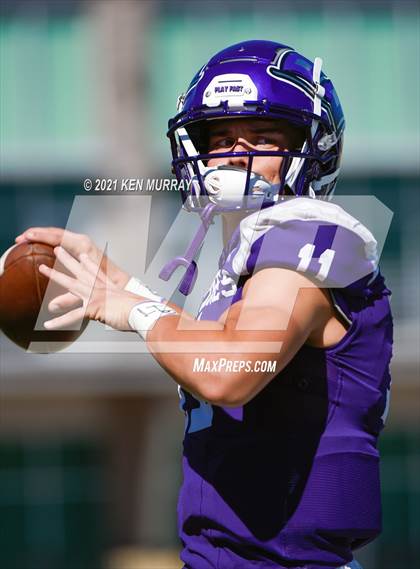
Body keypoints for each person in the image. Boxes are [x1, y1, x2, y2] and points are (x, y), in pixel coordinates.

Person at [15, 41, 393, 569]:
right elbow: (222, 348)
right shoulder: (242, 270)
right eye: (220, 138)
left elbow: (229, 371)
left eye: (263, 136)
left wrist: (135, 310)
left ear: (311, 148)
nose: (236, 153)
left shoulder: (308, 236)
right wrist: (128, 289)